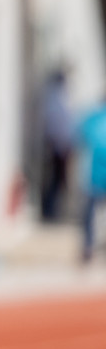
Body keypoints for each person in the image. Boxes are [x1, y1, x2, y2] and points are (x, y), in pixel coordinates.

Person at [40, 67, 73, 221]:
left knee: (58, 181)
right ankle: (50, 210)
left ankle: (53, 210)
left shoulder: (58, 97)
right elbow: (57, 125)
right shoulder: (56, 98)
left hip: (60, 146)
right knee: (56, 180)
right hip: (58, 147)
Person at [78, 99, 106, 264]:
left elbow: (81, 138)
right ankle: (88, 248)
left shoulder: (92, 119)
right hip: (95, 174)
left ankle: (88, 248)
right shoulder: (94, 119)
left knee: (89, 213)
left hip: (95, 175)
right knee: (89, 213)